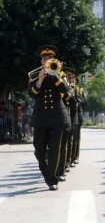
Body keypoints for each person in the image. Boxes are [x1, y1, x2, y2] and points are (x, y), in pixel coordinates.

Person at [28, 45, 71, 190]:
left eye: (50, 57)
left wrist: (54, 75)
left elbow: (65, 91)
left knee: (54, 149)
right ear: (41, 61)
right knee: (39, 150)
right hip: (40, 118)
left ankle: (52, 180)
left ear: (54, 59)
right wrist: (39, 81)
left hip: (56, 117)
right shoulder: (34, 75)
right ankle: (47, 174)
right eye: (45, 58)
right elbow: (32, 93)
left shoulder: (60, 74)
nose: (47, 60)